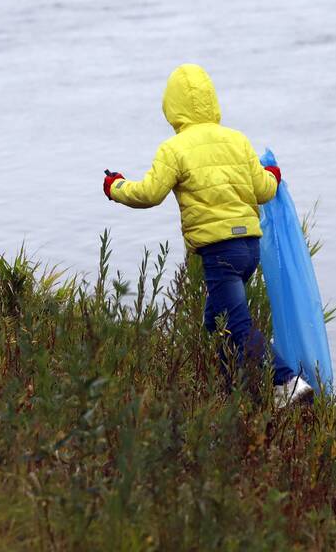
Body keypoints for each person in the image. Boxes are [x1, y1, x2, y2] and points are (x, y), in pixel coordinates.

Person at [103, 63, 314, 407]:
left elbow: (149, 194)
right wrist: (273, 174)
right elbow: (262, 189)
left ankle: (287, 383)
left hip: (219, 253)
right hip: (249, 247)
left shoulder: (175, 149)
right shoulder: (237, 140)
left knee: (237, 325)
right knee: (218, 325)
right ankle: (232, 395)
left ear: (171, 107)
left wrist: (116, 187)